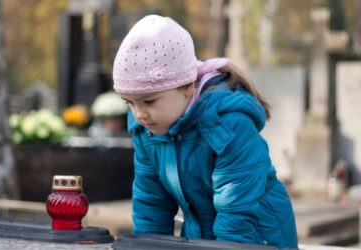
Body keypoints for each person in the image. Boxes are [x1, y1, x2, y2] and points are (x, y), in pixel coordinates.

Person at [112, 15, 298, 249]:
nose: (138, 114)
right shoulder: (147, 129)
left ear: (188, 86)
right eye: (129, 102)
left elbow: (236, 212)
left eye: (149, 101)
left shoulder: (228, 124)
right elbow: (151, 202)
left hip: (258, 238)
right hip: (202, 237)